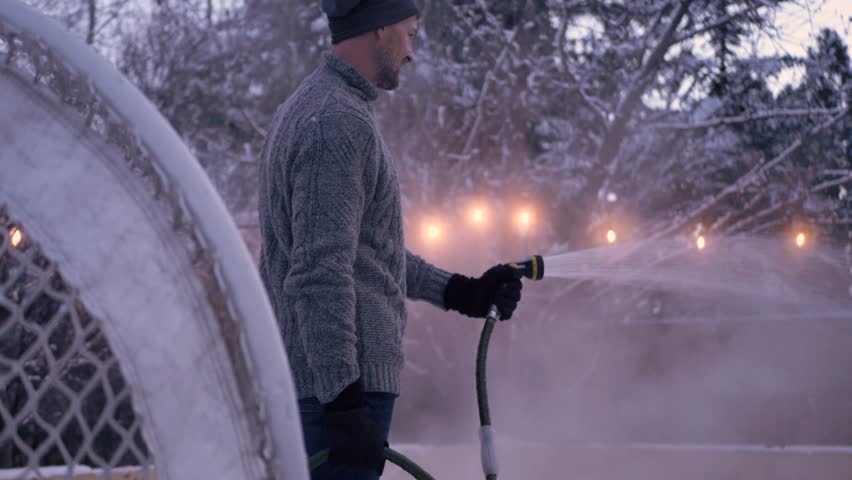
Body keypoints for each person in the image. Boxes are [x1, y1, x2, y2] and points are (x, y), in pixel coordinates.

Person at [257, 1, 524, 478]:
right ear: (379, 28)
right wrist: (343, 401)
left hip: (323, 391)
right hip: (334, 397)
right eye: (410, 33)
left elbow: (366, 254)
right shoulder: (336, 122)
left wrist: (461, 291)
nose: (412, 53)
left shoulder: (317, 109)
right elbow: (319, 273)